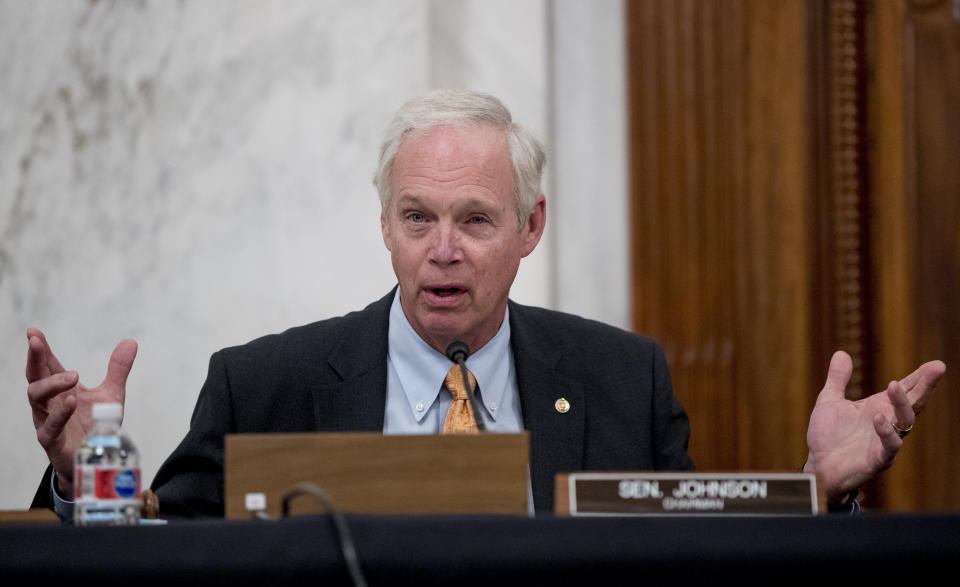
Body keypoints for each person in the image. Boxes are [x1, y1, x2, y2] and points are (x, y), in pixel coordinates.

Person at [27, 89, 945, 518]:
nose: (443, 253)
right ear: (383, 223)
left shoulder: (623, 379)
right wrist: (85, 478)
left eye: (476, 219)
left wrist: (819, 494)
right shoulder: (265, 381)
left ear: (531, 225)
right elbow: (163, 561)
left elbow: (690, 560)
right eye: (417, 217)